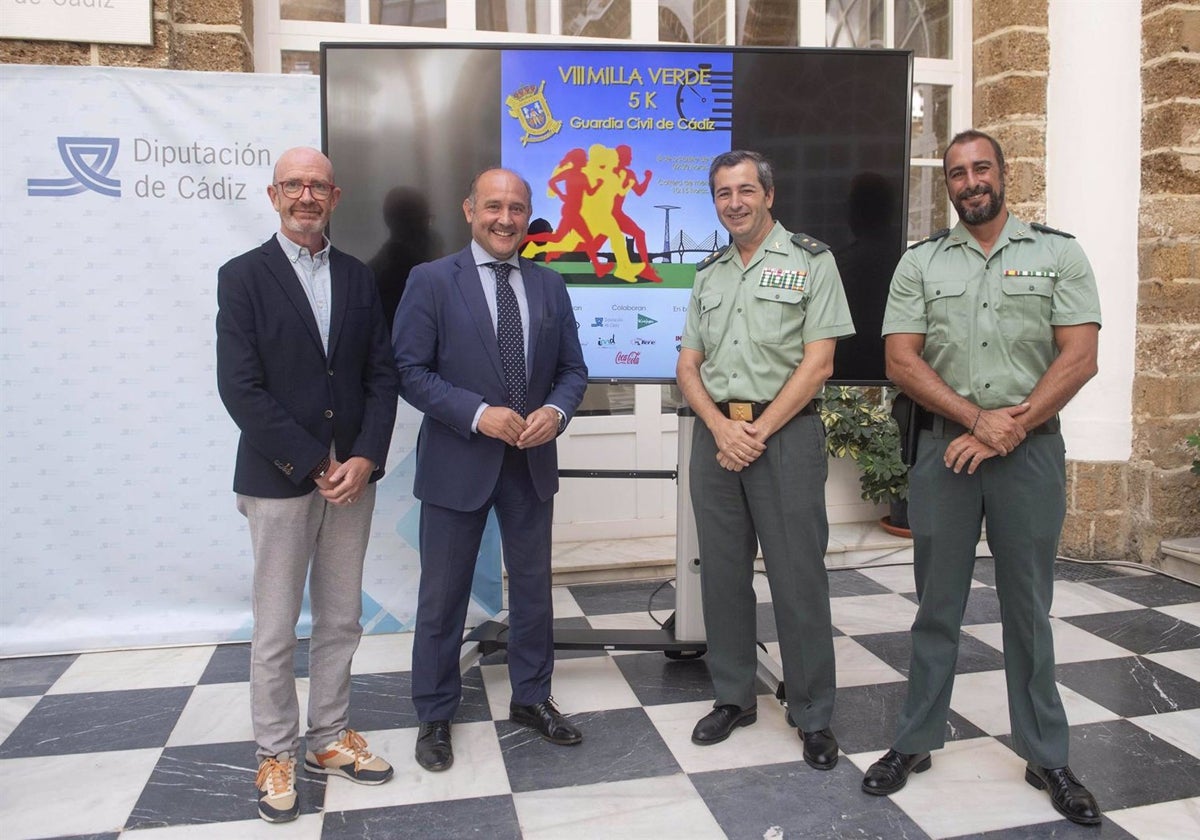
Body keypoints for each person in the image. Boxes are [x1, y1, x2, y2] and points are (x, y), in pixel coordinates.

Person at [863, 130, 1102, 827]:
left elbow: (1079, 356)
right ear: (948, 185)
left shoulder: (1059, 253)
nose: (971, 181)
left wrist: (1010, 428)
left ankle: (1046, 753)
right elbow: (901, 361)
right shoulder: (921, 263)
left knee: (1028, 606)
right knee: (937, 605)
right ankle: (914, 742)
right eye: (958, 172)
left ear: (1004, 174)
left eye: (981, 168)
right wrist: (976, 420)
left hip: (1028, 456)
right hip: (945, 455)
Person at [215, 147, 398, 823]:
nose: (306, 196)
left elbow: (381, 375)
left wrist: (365, 457)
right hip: (279, 476)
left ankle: (327, 737)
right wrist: (312, 461)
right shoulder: (242, 277)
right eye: (293, 185)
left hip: (352, 477)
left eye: (317, 186)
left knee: (342, 617)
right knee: (274, 627)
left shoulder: (356, 277)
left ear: (335, 196)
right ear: (273, 195)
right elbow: (240, 388)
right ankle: (275, 751)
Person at [393, 167, 588, 773]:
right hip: (458, 462)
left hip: (531, 463)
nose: (506, 219)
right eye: (494, 207)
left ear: (529, 217)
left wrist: (556, 412)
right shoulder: (430, 281)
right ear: (469, 210)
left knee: (532, 591)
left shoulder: (551, 285)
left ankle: (531, 698)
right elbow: (409, 371)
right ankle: (434, 715)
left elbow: (573, 371)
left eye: (517, 208)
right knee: (443, 596)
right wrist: (479, 415)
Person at [676, 150, 855, 769]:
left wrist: (757, 431)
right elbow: (688, 366)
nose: (734, 202)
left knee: (796, 577)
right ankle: (733, 697)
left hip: (785, 439)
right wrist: (723, 428)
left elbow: (820, 362)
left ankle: (811, 712)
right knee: (721, 576)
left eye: (745, 190)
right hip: (718, 437)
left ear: (768, 195)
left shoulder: (811, 261)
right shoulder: (709, 273)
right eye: (723, 193)